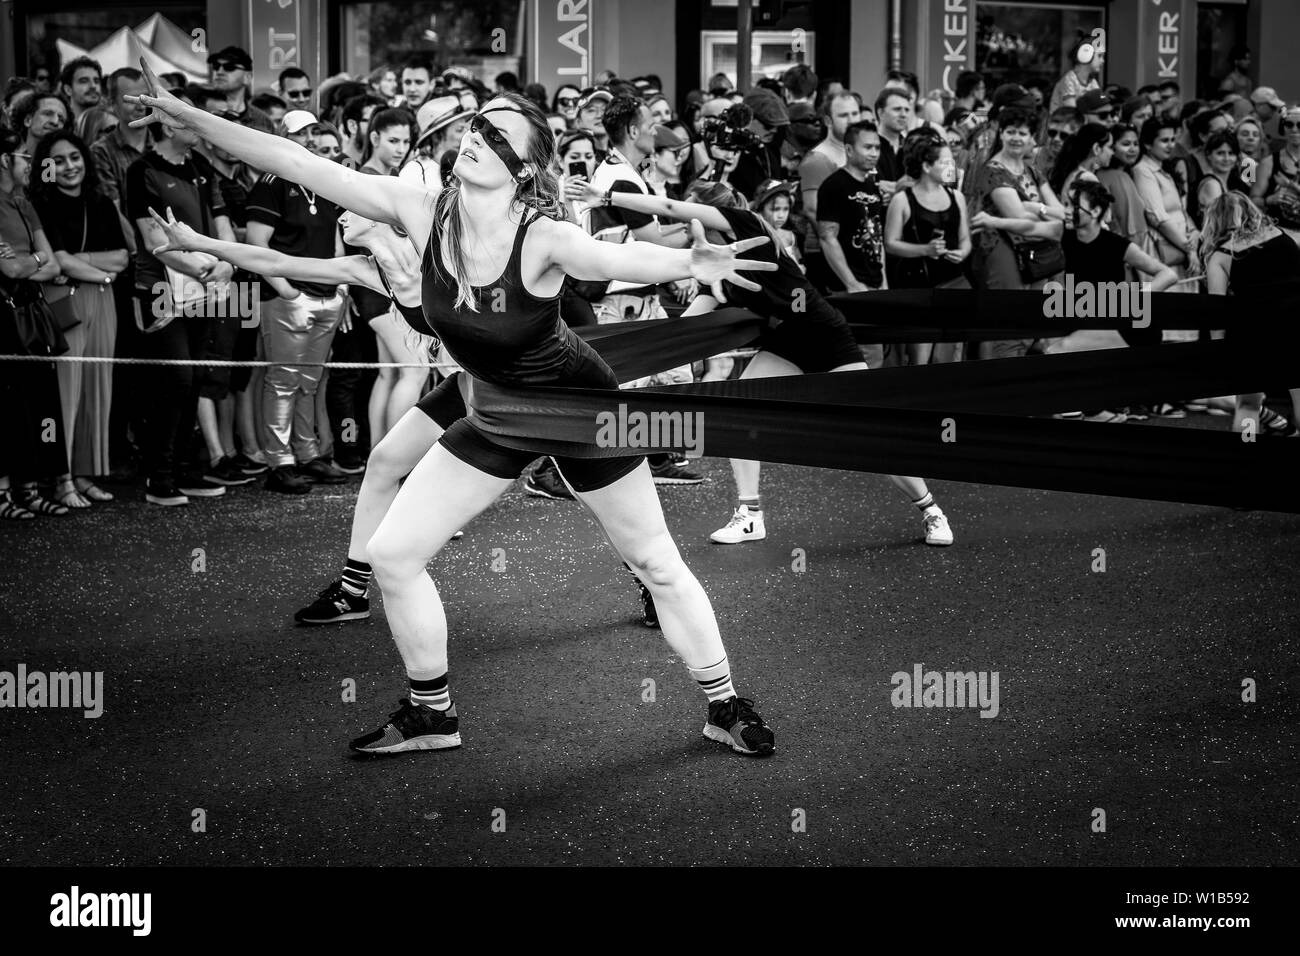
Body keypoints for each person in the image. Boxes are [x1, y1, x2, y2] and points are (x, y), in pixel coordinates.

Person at [129, 69, 781, 758]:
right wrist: (189, 115)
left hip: (579, 407)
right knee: (394, 554)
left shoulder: (541, 236)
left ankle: (724, 703)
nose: (476, 137)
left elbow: (608, 253)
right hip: (495, 408)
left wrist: (688, 262)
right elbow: (296, 161)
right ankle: (431, 713)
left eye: (498, 135)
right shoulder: (421, 209)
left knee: (655, 561)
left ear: (524, 167)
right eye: (477, 125)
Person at [568, 176, 956, 548]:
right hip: (785, 343)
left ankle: (931, 509)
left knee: (874, 432)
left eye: (691, 216)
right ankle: (749, 513)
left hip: (825, 337)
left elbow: (668, 204)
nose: (684, 224)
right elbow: (686, 327)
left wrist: (607, 199)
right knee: (742, 413)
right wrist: (632, 358)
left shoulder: (747, 224)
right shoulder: (713, 267)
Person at [575, 94, 702, 485]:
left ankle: (658, 461)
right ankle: (581, 470)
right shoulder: (620, 177)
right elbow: (656, 242)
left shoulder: (617, 170)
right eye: (649, 126)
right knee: (623, 391)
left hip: (638, 296)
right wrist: (698, 231)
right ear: (632, 131)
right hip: (623, 300)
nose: (655, 132)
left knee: (676, 378)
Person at [126, 88, 239, 506]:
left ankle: (186, 470)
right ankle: (159, 476)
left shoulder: (202, 167)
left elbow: (224, 223)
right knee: (175, 380)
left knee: (196, 379)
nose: (196, 124)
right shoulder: (141, 170)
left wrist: (227, 263)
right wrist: (212, 270)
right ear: (167, 121)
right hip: (160, 291)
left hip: (206, 287)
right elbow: (153, 237)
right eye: (189, 116)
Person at [245, 111, 349, 493]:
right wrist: (285, 288)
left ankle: (308, 454)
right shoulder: (271, 182)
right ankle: (280, 460)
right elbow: (256, 243)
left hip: (325, 295)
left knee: (310, 380)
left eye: (312, 132)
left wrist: (340, 286)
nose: (308, 139)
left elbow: (335, 237)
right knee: (283, 380)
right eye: (299, 133)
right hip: (289, 296)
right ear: (283, 136)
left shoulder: (320, 179)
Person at [30, 130, 127, 506]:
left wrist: (79, 263)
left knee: (96, 389)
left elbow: (121, 257)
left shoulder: (100, 202)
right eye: (59, 160)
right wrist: (97, 267)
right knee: (65, 392)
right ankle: (60, 477)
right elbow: (58, 259)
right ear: (44, 167)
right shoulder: (40, 203)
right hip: (62, 302)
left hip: (103, 301)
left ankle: (86, 473)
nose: (69, 166)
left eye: (75, 156)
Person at [0, 126, 73, 519]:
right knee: (9, 403)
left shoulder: (23, 201)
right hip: (5, 313)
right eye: (24, 158)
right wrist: (33, 263)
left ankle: (29, 487)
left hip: (31, 311)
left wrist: (29, 264)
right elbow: (7, 266)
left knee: (38, 401)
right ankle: (4, 491)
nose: (32, 164)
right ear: (4, 160)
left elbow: (53, 262)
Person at [967, 106, 1067, 359]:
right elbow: (1018, 217)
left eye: (1022, 133)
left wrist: (1034, 207)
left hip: (1037, 254)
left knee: (1032, 323)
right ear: (1000, 134)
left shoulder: (1033, 170)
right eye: (1010, 131)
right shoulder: (992, 170)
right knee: (1008, 326)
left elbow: (1062, 213)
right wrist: (1045, 216)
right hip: (1002, 251)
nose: (1016, 138)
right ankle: (999, 387)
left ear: (1032, 138)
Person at [1199, 190, 1300, 436]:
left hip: (1253, 336)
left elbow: (1217, 310)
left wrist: (1218, 349)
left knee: (1247, 406)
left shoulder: (1221, 256)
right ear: (1250, 211)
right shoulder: (1281, 235)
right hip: (1296, 325)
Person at [884, 138, 972, 366]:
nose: (951, 168)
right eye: (945, 162)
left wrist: (962, 253)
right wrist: (925, 249)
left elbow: (965, 239)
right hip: (918, 285)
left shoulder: (957, 197)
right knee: (919, 358)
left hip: (953, 282)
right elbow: (891, 243)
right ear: (926, 166)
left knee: (948, 357)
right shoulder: (902, 200)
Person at [816, 121, 887, 298]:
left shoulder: (872, 186)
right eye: (868, 147)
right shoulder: (834, 185)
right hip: (845, 288)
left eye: (877, 148)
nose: (874, 153)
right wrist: (851, 283)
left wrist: (883, 280)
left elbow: (877, 237)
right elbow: (827, 237)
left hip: (875, 284)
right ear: (849, 150)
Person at [799, 90, 861, 292]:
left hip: (856, 249)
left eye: (855, 113)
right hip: (827, 254)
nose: (851, 120)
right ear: (828, 120)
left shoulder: (858, 152)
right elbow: (813, 211)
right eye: (844, 115)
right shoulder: (818, 159)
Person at [1132, 118, 1200, 289]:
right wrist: (1189, 249)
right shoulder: (1142, 170)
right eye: (1164, 140)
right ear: (1147, 144)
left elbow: (1181, 211)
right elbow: (1158, 218)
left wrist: (1194, 232)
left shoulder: (1165, 170)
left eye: (1172, 140)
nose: (1170, 145)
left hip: (1181, 248)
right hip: (1161, 252)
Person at [1251, 105, 1300, 246]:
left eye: (1299, 125)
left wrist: (1292, 187)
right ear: (1283, 127)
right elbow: (1252, 200)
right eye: (1289, 124)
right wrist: (1269, 200)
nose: (1294, 130)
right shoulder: (1268, 163)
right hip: (1280, 236)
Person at [401, 94, 472, 191]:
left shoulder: (466, 168)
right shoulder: (415, 172)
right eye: (459, 130)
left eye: (466, 129)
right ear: (436, 137)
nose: (466, 135)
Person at [1049, 122, 1113, 217]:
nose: (1112, 152)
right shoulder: (1087, 178)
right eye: (1109, 147)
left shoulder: (1075, 172)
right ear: (1096, 148)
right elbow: (1106, 216)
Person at [206, 46, 274, 134]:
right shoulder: (199, 110)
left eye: (229, 67)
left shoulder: (263, 122)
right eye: (216, 66)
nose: (219, 72)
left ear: (247, 77)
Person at [1049, 36, 1103, 113]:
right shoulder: (1069, 80)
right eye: (1099, 56)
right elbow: (1073, 113)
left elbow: (1100, 106)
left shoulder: (1092, 82)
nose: (1102, 61)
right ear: (1086, 55)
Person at [14, 93, 68, 159]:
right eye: (48, 114)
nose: (55, 122)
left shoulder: (65, 166)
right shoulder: (7, 162)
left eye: (61, 119)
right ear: (28, 120)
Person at [59, 56, 103, 124]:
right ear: (68, 90)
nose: (93, 86)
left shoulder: (115, 127)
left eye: (96, 81)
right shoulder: (58, 126)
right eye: (84, 81)